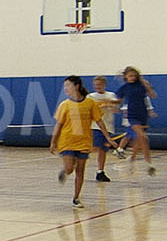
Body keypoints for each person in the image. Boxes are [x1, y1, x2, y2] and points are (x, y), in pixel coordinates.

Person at [51, 75, 103, 206]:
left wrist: (108, 137)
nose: (66, 89)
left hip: (84, 142)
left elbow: (99, 121)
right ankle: (64, 171)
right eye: (65, 86)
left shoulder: (90, 103)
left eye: (68, 85)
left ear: (77, 86)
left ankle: (76, 198)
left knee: (80, 171)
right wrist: (53, 141)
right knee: (70, 169)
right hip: (67, 141)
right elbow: (58, 124)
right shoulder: (65, 105)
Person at [117, 65, 158, 173]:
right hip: (132, 115)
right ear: (125, 76)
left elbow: (153, 95)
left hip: (142, 114)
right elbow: (118, 101)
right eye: (130, 76)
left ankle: (132, 159)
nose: (133, 78)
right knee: (142, 136)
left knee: (139, 140)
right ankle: (149, 163)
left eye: (135, 76)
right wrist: (110, 105)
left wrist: (147, 86)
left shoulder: (141, 85)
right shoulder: (124, 88)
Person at [88, 75, 121, 183]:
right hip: (95, 126)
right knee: (98, 147)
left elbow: (117, 110)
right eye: (96, 85)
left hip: (108, 126)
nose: (97, 86)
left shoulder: (110, 95)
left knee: (103, 150)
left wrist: (109, 105)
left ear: (104, 85)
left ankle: (100, 171)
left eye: (100, 84)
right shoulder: (90, 97)